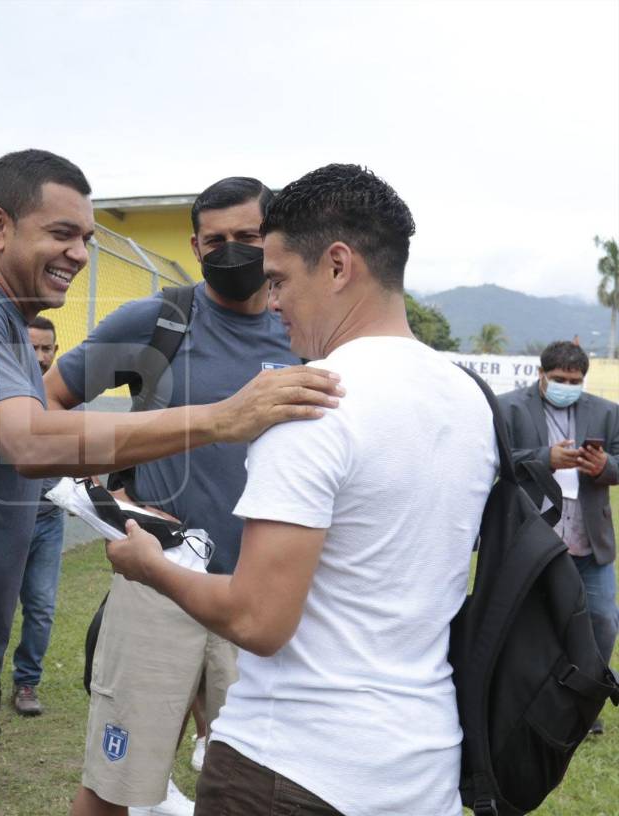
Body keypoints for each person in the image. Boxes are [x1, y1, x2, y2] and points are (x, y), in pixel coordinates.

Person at [0, 148, 343, 815]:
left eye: (86, 238)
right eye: (62, 233)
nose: (80, 254)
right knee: (118, 780)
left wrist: (91, 488)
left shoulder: (1, 322)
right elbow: (32, 437)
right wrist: (217, 421)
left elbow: (36, 431)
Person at [106, 164, 498, 816]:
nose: (272, 300)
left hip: (291, 764)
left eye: (281, 279)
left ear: (338, 266)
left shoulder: (306, 404)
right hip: (424, 766)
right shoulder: (470, 400)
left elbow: (257, 620)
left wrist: (151, 566)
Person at [53, 177, 296, 816]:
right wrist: (105, 502)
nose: (232, 251)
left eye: (248, 236)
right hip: (160, 580)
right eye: (215, 240)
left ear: (275, 238)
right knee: (113, 787)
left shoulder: (305, 331)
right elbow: (46, 404)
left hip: (265, 596)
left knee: (254, 794)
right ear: (195, 247)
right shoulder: (159, 322)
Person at [499, 340, 618, 734]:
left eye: (575, 380)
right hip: (535, 538)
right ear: (541, 374)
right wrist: (543, 458)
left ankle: (586, 702)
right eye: (559, 379)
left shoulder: (607, 412)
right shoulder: (508, 408)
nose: (568, 385)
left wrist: (604, 465)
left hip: (589, 540)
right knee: (532, 623)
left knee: (602, 621)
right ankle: (530, 698)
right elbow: (496, 460)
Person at [8, 314, 66, 716]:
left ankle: (27, 682)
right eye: (32, 348)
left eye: (47, 348)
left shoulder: (64, 397)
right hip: (3, 521)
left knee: (41, 607)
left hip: (48, 521)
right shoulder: (0, 392)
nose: (40, 357)